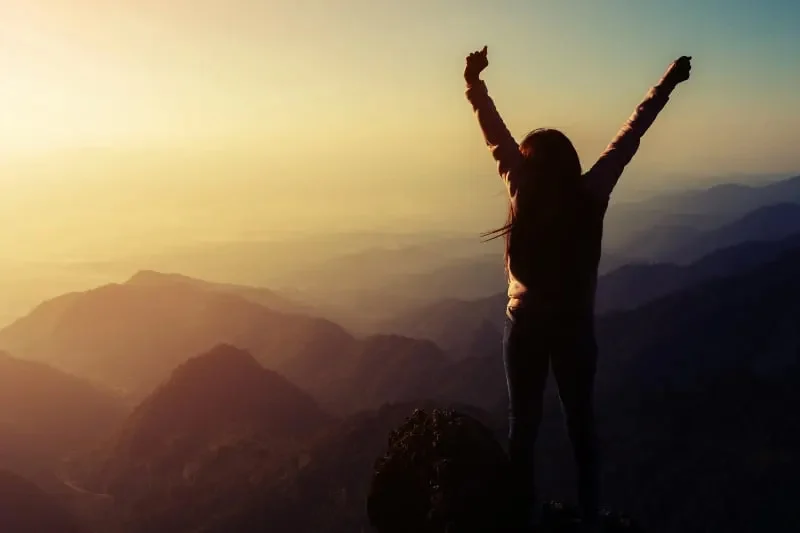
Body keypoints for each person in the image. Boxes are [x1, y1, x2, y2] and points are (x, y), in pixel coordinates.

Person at [463, 46, 692, 530]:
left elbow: (494, 135)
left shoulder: (521, 187)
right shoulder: (591, 193)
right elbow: (632, 133)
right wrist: (667, 83)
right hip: (573, 329)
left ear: (531, 161)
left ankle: (520, 516)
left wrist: (474, 83)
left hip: (522, 326)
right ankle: (589, 518)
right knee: (580, 426)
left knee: (522, 426)